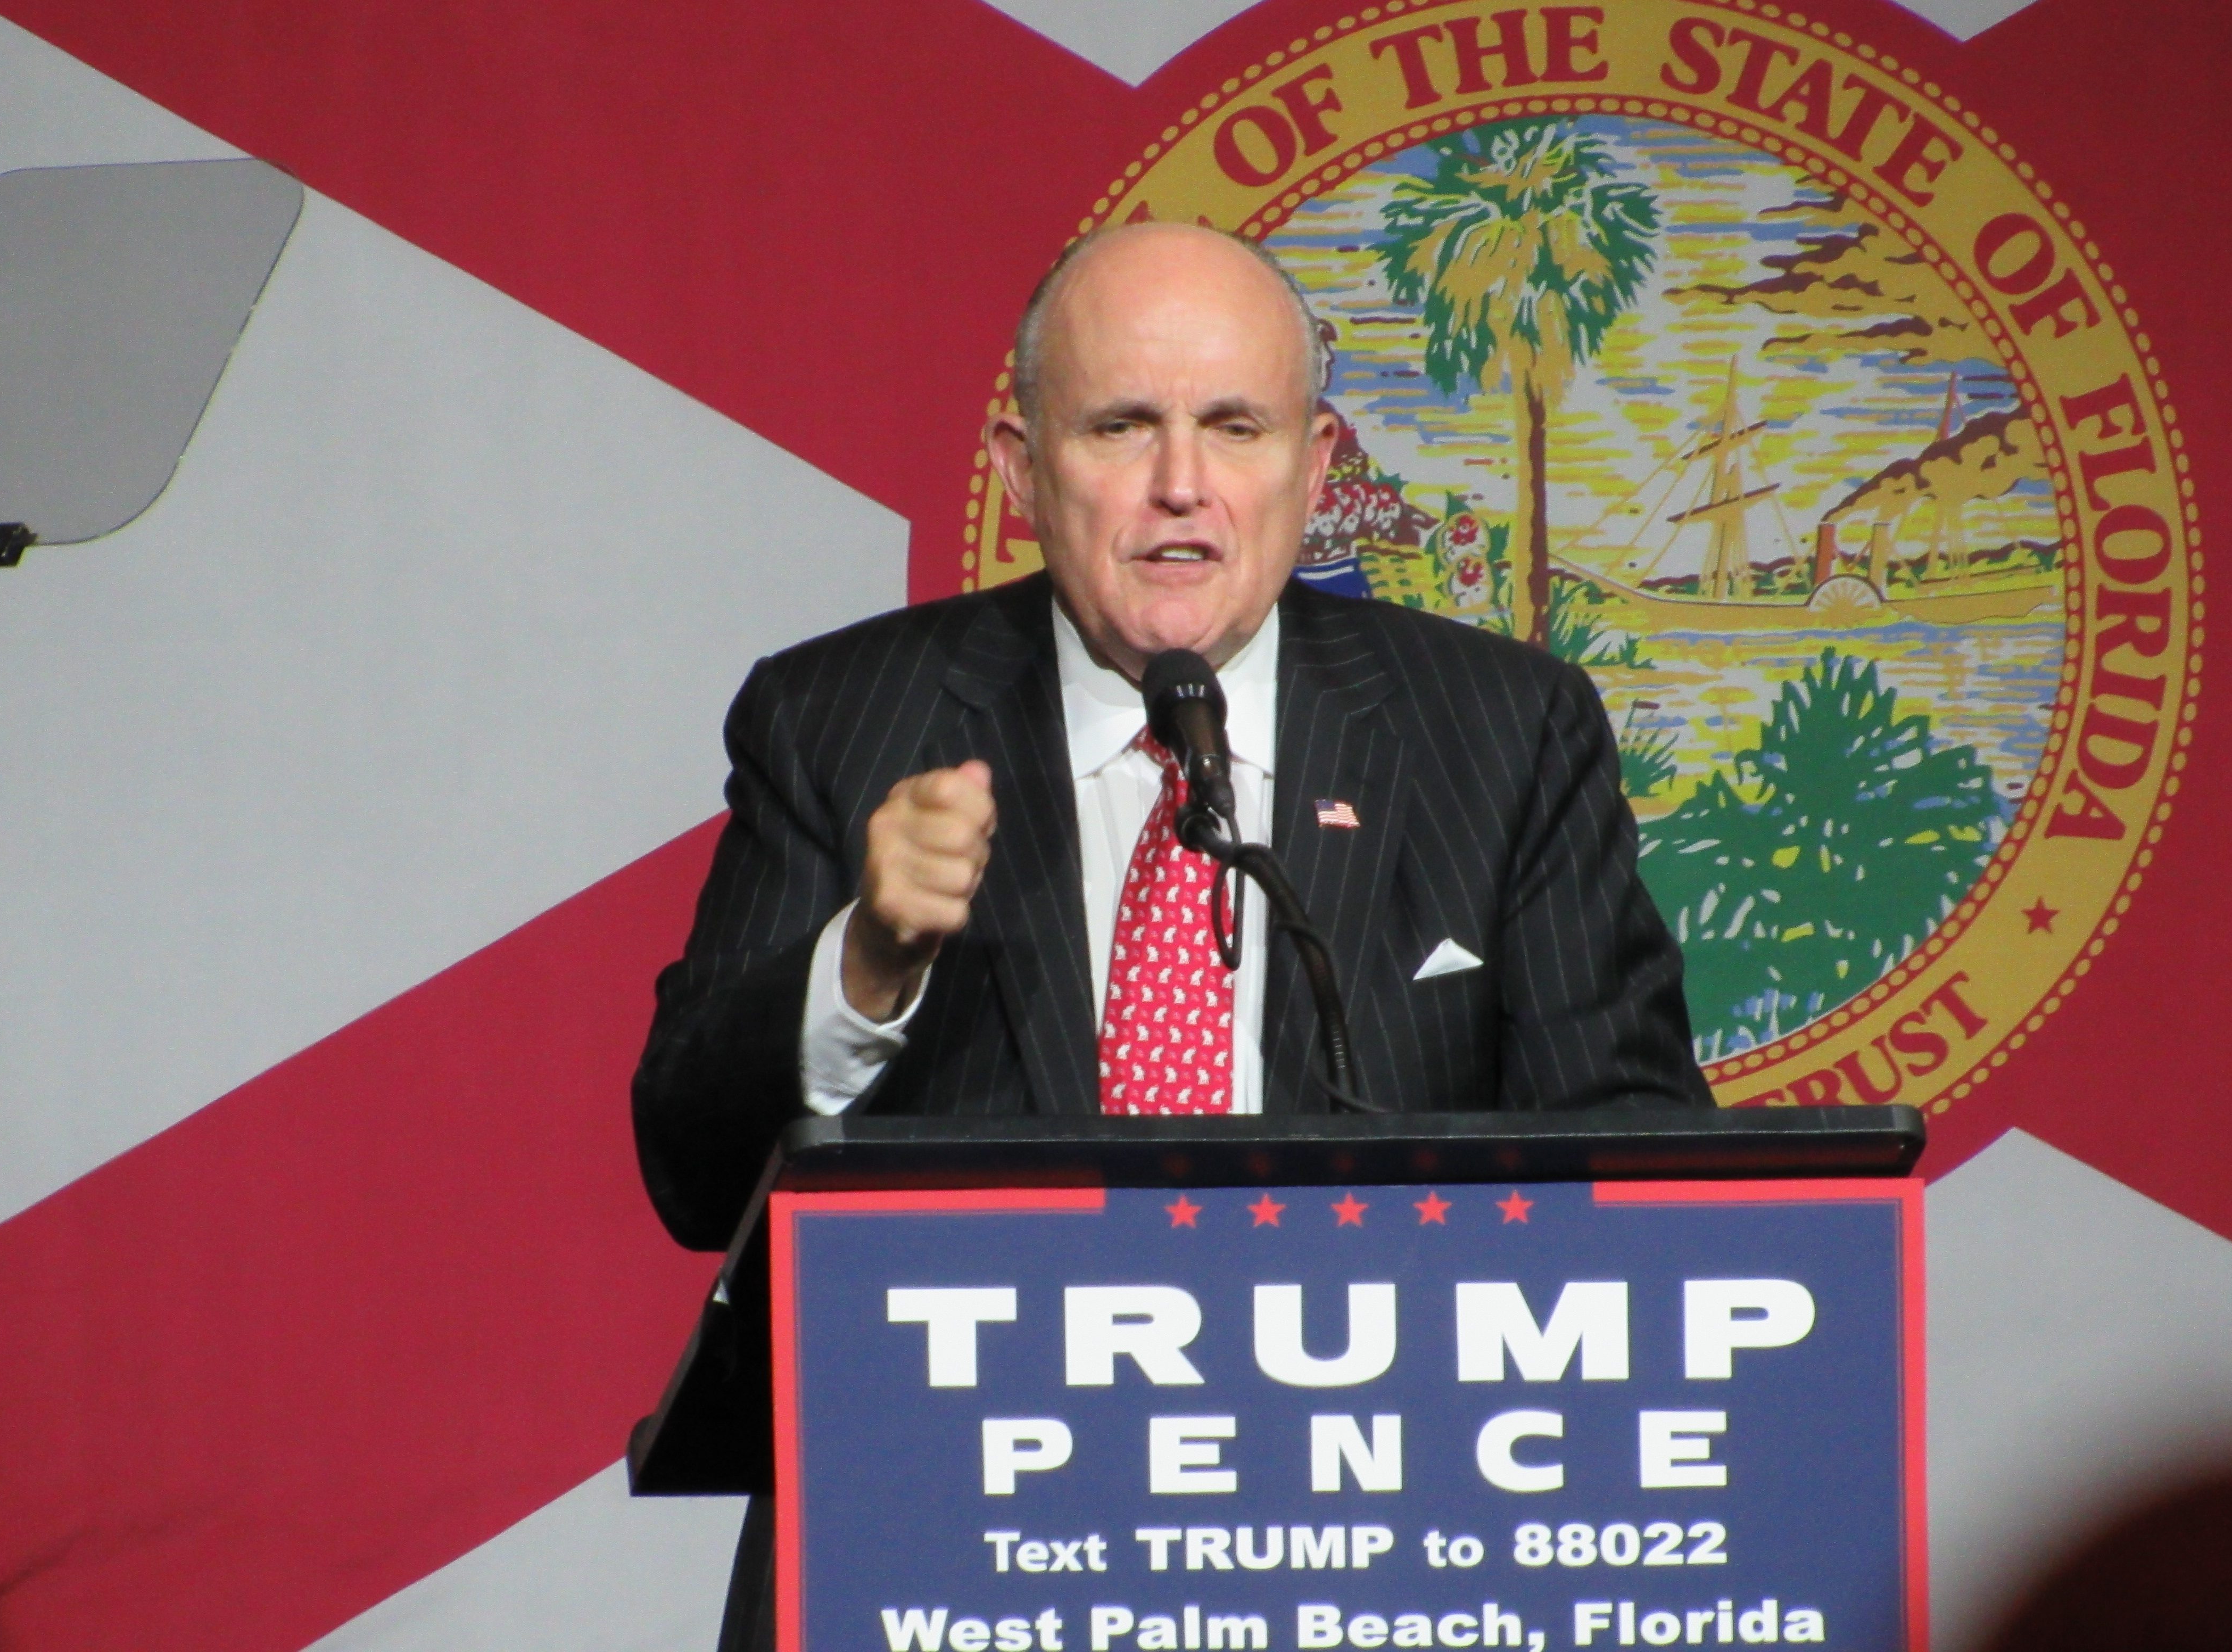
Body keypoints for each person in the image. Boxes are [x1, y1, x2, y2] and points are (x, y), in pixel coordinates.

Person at [633, 220, 1708, 1652]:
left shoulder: (1502, 735)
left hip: (1383, 1553)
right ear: (1023, 472)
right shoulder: (842, 724)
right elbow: (693, 1171)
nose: (1182, 490)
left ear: (1316, 469)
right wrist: (869, 959)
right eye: (1123, 427)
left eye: (1235, 427)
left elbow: (1641, 1176)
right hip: (953, 1558)